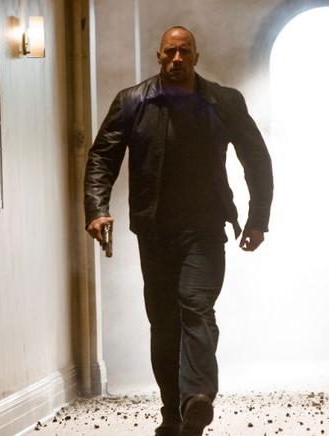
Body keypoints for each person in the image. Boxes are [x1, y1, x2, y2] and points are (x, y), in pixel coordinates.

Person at [84, 26, 273, 436]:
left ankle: (197, 397)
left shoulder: (223, 102)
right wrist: (97, 210)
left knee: (195, 305)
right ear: (159, 56)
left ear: (195, 57)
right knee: (164, 323)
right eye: (170, 52)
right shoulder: (133, 101)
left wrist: (258, 219)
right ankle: (173, 411)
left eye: (184, 52)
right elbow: (103, 156)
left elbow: (256, 159)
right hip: (154, 233)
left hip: (206, 229)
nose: (177, 59)